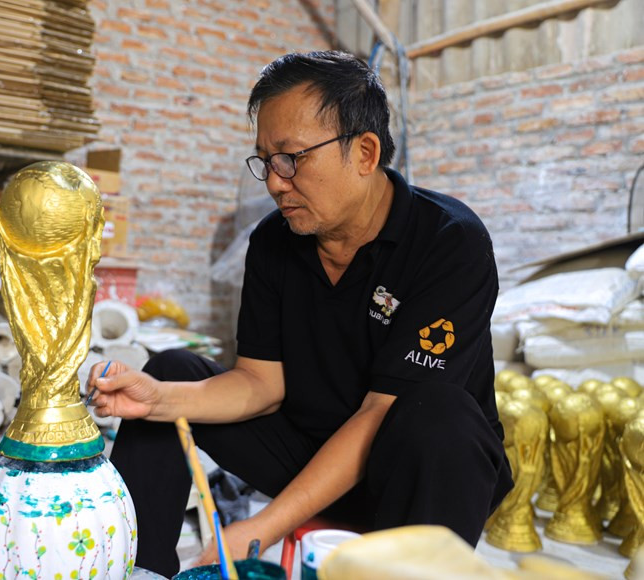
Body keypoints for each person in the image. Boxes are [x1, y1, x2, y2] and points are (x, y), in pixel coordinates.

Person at [88, 50, 513, 578]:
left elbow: (379, 413)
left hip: (414, 478)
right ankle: (140, 569)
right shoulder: (275, 241)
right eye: (265, 161)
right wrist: (158, 399)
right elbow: (259, 383)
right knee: (172, 370)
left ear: (364, 151)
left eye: (292, 158)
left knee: (437, 413)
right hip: (309, 456)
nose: (274, 182)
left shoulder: (449, 242)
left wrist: (261, 527)